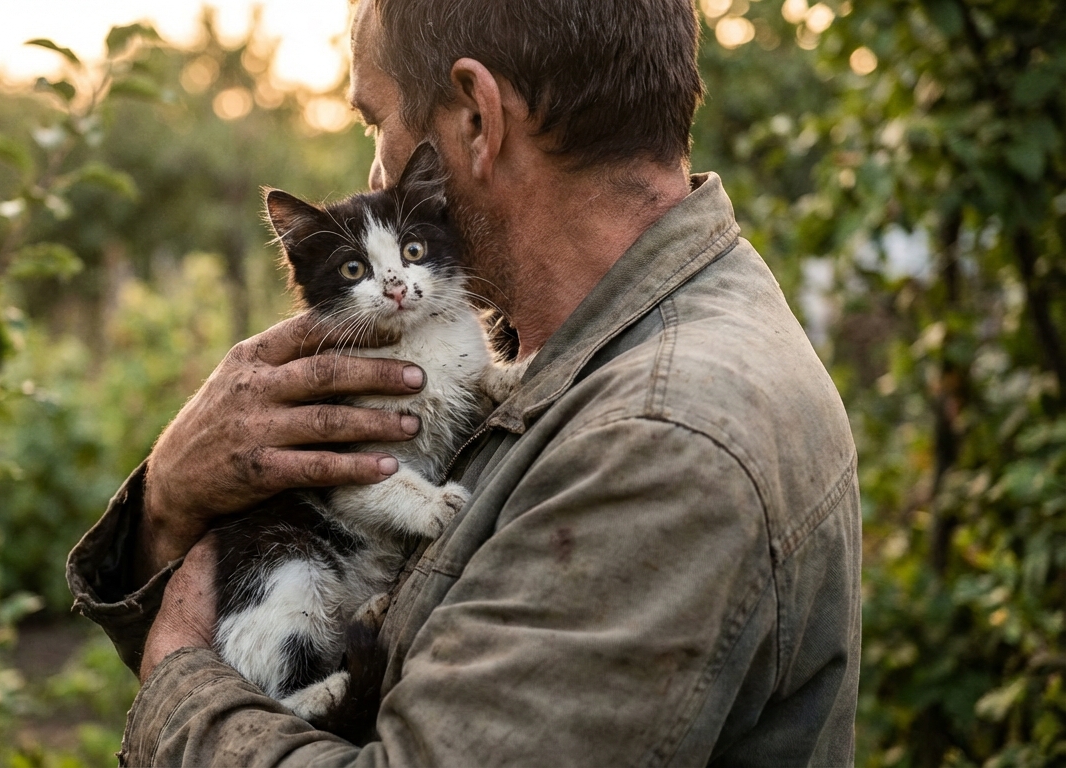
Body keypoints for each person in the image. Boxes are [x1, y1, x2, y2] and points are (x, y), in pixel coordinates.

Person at [66, 0, 861, 764]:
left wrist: (176, 677)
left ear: (477, 120)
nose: (375, 168)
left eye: (374, 120)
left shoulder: (659, 442)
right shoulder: (562, 348)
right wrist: (168, 501)